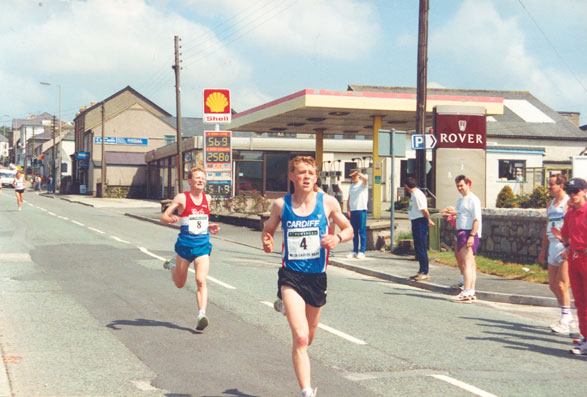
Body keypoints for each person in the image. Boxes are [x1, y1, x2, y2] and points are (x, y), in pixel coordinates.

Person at [262, 156, 353, 397]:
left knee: (308, 338)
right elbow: (269, 228)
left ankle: (285, 309)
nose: (306, 177)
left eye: (311, 173)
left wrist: (337, 238)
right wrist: (267, 239)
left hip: (317, 279)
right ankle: (306, 392)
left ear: (316, 177)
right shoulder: (282, 205)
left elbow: (349, 229)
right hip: (290, 276)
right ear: (291, 176)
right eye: (301, 173)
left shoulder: (328, 203)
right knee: (300, 337)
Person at [160, 167, 220, 331]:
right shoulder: (182, 198)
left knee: (201, 280)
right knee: (180, 283)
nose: (201, 180)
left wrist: (210, 225)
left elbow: (198, 221)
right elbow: (164, 217)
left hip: (202, 246)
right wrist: (169, 218)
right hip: (184, 248)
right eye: (197, 178)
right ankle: (171, 265)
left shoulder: (207, 198)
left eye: (203, 178)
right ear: (190, 181)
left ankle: (202, 314)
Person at [538, 174, 574, 334]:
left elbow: (574, 225)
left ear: (561, 185)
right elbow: (547, 227)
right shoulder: (550, 204)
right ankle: (567, 315)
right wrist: (542, 250)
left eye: (551, 184)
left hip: (565, 246)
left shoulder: (568, 203)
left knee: (562, 284)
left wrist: (569, 246)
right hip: (552, 245)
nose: (549, 187)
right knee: (553, 285)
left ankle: (565, 319)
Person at [559, 178, 587, 355]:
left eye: (575, 191)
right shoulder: (569, 214)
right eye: (569, 192)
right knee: (580, 301)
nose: (572, 195)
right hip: (574, 258)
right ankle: (585, 337)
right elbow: (565, 235)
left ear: (584, 191)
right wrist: (568, 248)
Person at [448, 175, 482, 303]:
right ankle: (471, 291)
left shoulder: (473, 199)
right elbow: (461, 217)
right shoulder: (461, 200)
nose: (460, 188)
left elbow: (476, 219)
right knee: (470, 264)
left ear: (468, 185)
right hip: (462, 232)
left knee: (467, 264)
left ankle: (467, 291)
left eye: (462, 185)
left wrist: (472, 236)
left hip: (468, 233)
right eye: (457, 186)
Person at [404, 177, 435, 281]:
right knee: (418, 247)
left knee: (421, 247)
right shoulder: (414, 194)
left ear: (406, 186)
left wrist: (428, 220)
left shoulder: (417, 195)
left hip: (420, 221)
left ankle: (425, 271)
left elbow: (424, 210)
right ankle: (421, 270)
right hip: (415, 221)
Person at [346, 169, 368, 259]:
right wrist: (348, 209)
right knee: (354, 232)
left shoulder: (362, 184)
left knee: (362, 231)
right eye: (352, 176)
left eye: (355, 176)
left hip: (361, 210)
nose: (353, 177)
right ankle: (355, 251)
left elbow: (365, 179)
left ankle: (362, 251)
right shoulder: (351, 186)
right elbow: (349, 198)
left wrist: (358, 173)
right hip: (353, 211)